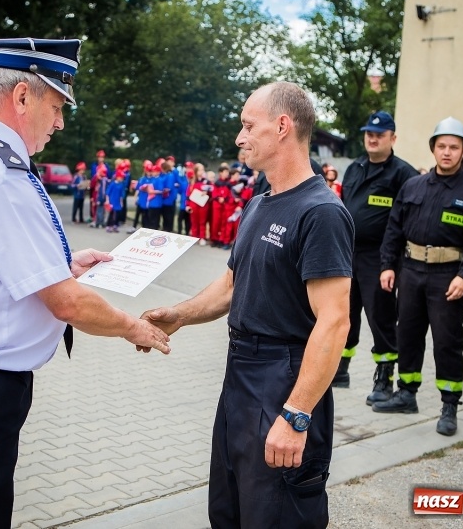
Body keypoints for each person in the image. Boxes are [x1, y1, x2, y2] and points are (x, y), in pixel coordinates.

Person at [0, 37, 170, 529]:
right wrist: (133, 327)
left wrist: (59, 265)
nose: (61, 122)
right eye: (57, 105)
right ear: (22, 97)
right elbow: (67, 305)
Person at [141, 82, 354, 528]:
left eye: (247, 125)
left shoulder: (321, 212)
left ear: (282, 126)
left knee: (277, 514)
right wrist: (179, 315)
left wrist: (296, 416)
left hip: (285, 378)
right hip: (239, 376)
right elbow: (232, 286)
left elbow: (334, 323)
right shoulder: (259, 204)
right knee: (230, 508)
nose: (239, 137)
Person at [373, 117, 463, 437]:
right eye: (442, 146)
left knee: (447, 342)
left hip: (447, 276)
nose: (447, 152)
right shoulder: (413, 186)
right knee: (407, 334)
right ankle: (406, 393)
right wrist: (387, 265)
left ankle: (449, 404)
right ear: (433, 149)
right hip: (411, 272)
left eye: (454, 147)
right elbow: (394, 229)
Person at [332, 111, 417, 407]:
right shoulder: (355, 166)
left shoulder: (404, 174)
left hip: (380, 256)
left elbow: (409, 221)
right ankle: (339, 370)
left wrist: (391, 263)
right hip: (348, 252)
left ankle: (384, 379)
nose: (372, 138)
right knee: (344, 313)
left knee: (380, 317)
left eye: (379, 135)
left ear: (392, 138)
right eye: (369, 133)